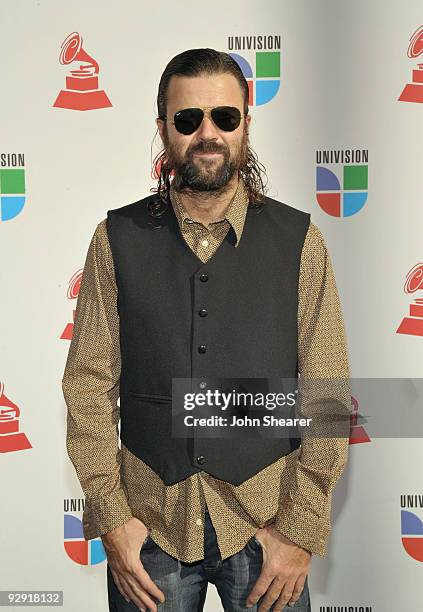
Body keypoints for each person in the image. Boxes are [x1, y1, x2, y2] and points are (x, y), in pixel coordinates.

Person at [62, 48, 351, 612]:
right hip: (151, 531)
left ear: (247, 123)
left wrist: (299, 533)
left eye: (225, 116)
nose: (208, 134)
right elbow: (88, 385)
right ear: (164, 130)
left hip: (268, 529)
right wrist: (115, 521)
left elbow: (328, 395)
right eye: (188, 119)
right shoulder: (114, 239)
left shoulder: (299, 241)